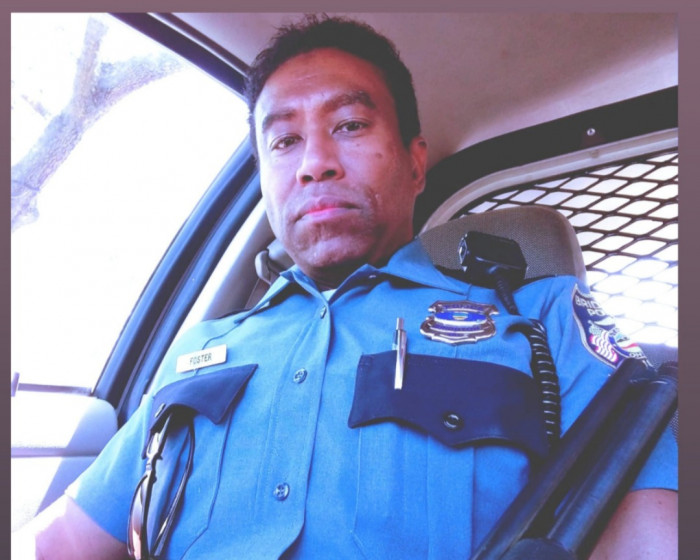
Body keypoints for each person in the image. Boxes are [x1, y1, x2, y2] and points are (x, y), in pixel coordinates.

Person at [14, 14, 677, 560]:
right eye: (283, 141)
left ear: (415, 162)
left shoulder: (540, 320)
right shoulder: (198, 353)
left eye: (350, 126)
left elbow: (651, 537)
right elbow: (60, 545)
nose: (314, 163)